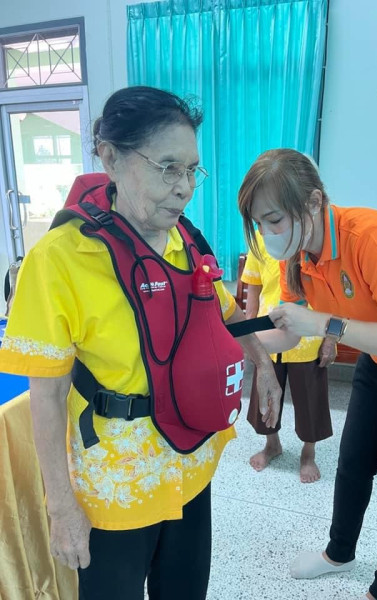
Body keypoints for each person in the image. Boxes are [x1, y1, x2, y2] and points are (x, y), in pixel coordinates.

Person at [0, 86, 281, 600]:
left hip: (190, 463)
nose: (185, 188)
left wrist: (262, 361)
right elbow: (47, 394)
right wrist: (60, 508)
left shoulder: (185, 238)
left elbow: (224, 312)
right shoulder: (58, 260)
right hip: (115, 486)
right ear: (110, 158)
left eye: (192, 170)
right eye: (167, 168)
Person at [238, 148, 377, 600]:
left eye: (274, 219)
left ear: (313, 201)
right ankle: (339, 554)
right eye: (259, 224)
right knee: (352, 467)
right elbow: (288, 333)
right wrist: (232, 347)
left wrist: (325, 324)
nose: (269, 235)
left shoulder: (369, 237)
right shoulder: (296, 254)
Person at [241, 231, 334, 482]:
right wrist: (248, 335)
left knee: (311, 400)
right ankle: (272, 445)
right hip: (268, 335)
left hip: (309, 336)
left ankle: (308, 453)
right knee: (265, 395)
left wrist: (331, 339)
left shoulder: (313, 239)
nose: (266, 226)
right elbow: (253, 288)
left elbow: (333, 296)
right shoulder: (259, 238)